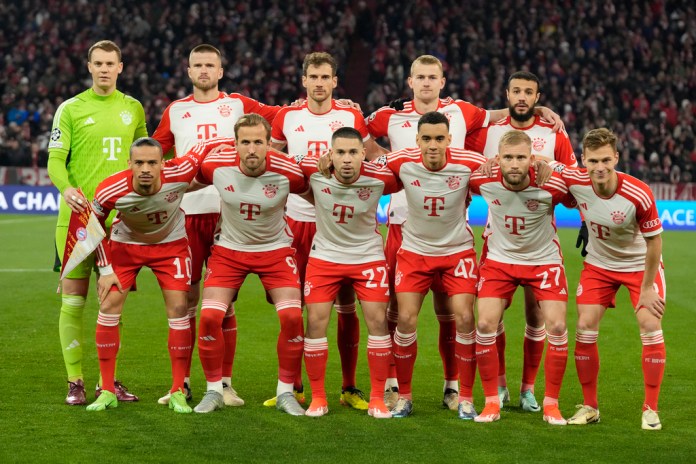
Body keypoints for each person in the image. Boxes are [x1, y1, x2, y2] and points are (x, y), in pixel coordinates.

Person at [366, 56, 564, 411]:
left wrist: (539, 110)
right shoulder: (391, 122)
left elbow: (503, 117)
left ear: (443, 81)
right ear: (410, 81)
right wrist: (375, 153)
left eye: (432, 77)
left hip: (456, 242)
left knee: (457, 316)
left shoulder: (462, 115)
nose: (426, 83)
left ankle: (456, 388)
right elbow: (358, 137)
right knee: (396, 313)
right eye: (420, 77)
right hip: (402, 228)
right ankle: (395, 387)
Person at [152, 44, 282, 407]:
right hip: (188, 212)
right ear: (189, 70)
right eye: (198, 65)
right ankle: (182, 383)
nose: (204, 70)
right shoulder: (175, 111)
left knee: (222, 302)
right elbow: (155, 155)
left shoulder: (239, 105)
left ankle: (224, 383)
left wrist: (342, 105)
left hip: (231, 212)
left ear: (221, 71)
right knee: (187, 300)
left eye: (210, 65)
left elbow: (286, 118)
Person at [270, 51, 377, 410]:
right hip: (296, 221)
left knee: (347, 307)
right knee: (299, 308)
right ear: (304, 81)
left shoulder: (350, 115)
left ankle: (348, 387)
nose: (318, 83)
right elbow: (272, 160)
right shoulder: (287, 116)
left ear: (335, 81)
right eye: (312, 77)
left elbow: (373, 158)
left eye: (325, 77)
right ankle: (296, 387)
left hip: (342, 224)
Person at [465, 71, 577, 411]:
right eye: (517, 91)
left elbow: (572, 175)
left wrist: (547, 164)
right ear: (507, 93)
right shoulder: (487, 130)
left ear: (538, 96)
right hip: (498, 242)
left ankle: (528, 389)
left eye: (529, 92)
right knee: (492, 318)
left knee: (536, 315)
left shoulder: (552, 130)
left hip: (540, 241)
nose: (522, 97)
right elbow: (461, 159)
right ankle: (498, 386)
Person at [47, 40, 147, 405]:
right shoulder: (70, 109)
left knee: (112, 306)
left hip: (120, 221)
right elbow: (55, 160)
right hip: (75, 220)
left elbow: (148, 154)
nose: (105, 69)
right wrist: (66, 188)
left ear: (121, 67)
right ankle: (75, 381)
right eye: (98, 63)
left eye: (111, 63)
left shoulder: (133, 108)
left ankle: (109, 380)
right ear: (89, 66)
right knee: (72, 303)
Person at [191, 114, 308, 415]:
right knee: (208, 319)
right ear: (236, 144)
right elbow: (182, 182)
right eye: (246, 142)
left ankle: (285, 393)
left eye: (259, 142)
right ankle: (214, 390)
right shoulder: (215, 166)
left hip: (275, 251)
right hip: (229, 250)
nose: (252, 149)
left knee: (293, 318)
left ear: (270, 144)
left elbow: (318, 192)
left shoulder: (288, 172)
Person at [376, 111, 488, 418]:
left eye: (440, 138)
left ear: (450, 139)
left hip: (457, 253)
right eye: (426, 138)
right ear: (417, 140)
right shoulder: (402, 161)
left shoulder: (469, 163)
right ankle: (405, 397)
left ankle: (463, 396)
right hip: (414, 253)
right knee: (405, 320)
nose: (433, 145)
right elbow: (364, 170)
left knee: (464, 318)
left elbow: (503, 172)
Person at [85, 137, 208, 413]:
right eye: (139, 162)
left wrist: (231, 144)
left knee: (179, 308)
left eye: (152, 162)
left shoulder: (181, 171)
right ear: (129, 164)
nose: (145, 168)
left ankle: (178, 390)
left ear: (162, 164)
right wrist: (104, 270)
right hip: (126, 246)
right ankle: (106, 390)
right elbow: (91, 225)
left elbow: (202, 147)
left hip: (171, 246)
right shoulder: (110, 189)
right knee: (108, 305)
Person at [561, 128, 666, 430]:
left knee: (650, 325)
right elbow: (543, 164)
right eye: (593, 161)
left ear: (616, 158)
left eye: (606, 160)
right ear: (583, 160)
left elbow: (655, 242)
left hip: (638, 266)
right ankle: (590, 406)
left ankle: (651, 409)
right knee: (584, 326)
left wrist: (647, 288)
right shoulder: (576, 180)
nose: (600, 167)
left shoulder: (638, 192)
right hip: (599, 265)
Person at [299, 127, 400, 418]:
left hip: (367, 258)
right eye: (340, 152)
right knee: (316, 323)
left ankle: (378, 399)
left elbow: (412, 169)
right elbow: (279, 159)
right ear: (330, 154)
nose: (346, 159)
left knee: (378, 323)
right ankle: (318, 398)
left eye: (353, 152)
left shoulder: (381, 178)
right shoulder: (314, 172)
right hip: (325, 258)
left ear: (363, 155)